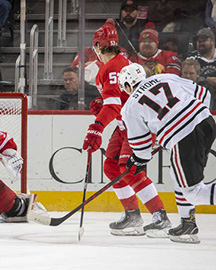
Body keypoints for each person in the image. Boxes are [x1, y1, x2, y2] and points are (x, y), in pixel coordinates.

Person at [82, 19, 170, 237]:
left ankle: (160, 216)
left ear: (98, 46)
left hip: (137, 126)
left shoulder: (111, 67)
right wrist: (103, 107)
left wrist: (97, 127)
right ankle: (132, 214)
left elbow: (114, 105)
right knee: (112, 167)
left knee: (130, 168)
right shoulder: (118, 64)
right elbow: (118, 101)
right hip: (124, 126)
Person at [119, 63, 215, 244]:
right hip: (207, 123)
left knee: (193, 192)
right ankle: (188, 223)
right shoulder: (163, 77)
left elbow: (141, 148)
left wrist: (137, 159)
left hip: (184, 137)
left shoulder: (130, 106)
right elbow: (204, 94)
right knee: (177, 174)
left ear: (127, 86)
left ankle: (188, 223)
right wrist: (194, 122)